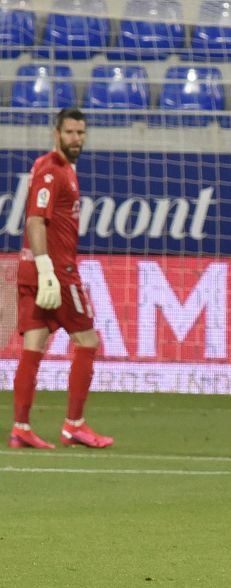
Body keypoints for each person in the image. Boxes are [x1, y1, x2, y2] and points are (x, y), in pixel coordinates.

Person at [9, 107, 113, 450]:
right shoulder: (53, 171)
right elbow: (36, 221)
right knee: (88, 342)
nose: (76, 139)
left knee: (33, 346)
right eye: (70, 132)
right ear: (56, 133)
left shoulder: (54, 167)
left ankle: (21, 428)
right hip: (56, 273)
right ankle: (74, 426)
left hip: (36, 271)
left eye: (81, 133)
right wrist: (47, 269)